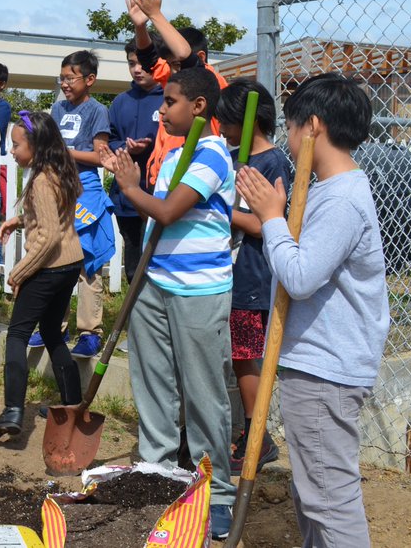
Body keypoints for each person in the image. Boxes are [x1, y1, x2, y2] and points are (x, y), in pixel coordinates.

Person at [237, 73, 389, 548]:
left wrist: (270, 218)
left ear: (313, 127)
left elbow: (300, 278)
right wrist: (279, 215)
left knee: (330, 499)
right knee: (313, 493)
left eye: (291, 125)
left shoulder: (342, 199)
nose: (287, 135)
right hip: (318, 366)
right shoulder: (328, 190)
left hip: (327, 372)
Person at [106, 65, 236, 539]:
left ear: (199, 107)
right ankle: (158, 472)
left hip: (199, 293)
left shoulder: (213, 156)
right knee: (153, 385)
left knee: (204, 394)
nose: (160, 110)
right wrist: (139, 182)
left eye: (170, 102)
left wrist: (130, 186)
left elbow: (166, 211)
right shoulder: (177, 154)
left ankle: (217, 490)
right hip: (155, 285)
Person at [0, 111, 83, 437]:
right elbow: (54, 216)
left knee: (17, 336)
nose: (11, 151)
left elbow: (50, 236)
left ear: (36, 146)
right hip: (70, 265)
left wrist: (19, 271)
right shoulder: (60, 170)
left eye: (16, 145)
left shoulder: (39, 180)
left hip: (48, 267)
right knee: (52, 332)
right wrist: (18, 220)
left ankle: (12, 412)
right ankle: (72, 407)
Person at [216, 79, 291, 472]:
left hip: (252, 275)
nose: (221, 125)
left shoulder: (272, 162)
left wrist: (219, 211)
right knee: (239, 355)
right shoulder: (231, 158)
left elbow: (266, 223)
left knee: (246, 356)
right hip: (227, 273)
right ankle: (251, 431)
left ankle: (256, 434)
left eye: (227, 119)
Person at [127, 0, 229, 187]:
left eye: (175, 65)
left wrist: (156, 15)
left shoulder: (209, 81)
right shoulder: (177, 78)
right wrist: (140, 26)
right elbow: (150, 61)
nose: (171, 71)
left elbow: (185, 56)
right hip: (163, 180)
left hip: (189, 180)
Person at [48, 50, 114, 359]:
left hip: (85, 189)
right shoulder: (57, 108)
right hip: (56, 190)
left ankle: (90, 331)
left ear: (89, 80)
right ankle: (54, 326)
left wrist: (64, 151)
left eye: (70, 78)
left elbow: (100, 157)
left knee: (88, 263)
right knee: (56, 259)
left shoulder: (97, 111)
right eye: (61, 78)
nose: (64, 84)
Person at [106, 38, 165, 287]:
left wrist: (150, 145)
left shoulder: (170, 96)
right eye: (131, 63)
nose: (137, 69)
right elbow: (109, 139)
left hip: (159, 197)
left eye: (142, 63)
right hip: (127, 199)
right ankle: (135, 320)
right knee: (133, 268)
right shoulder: (121, 101)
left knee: (155, 265)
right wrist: (124, 148)